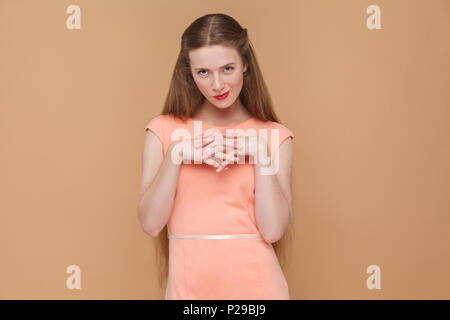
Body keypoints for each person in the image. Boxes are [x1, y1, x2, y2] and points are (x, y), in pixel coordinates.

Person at [137, 13, 295, 299]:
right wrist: (176, 154)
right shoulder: (163, 131)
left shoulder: (275, 136)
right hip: (189, 294)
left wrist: (260, 153)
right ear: (189, 72)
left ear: (245, 65)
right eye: (203, 72)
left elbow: (272, 231)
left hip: (258, 291)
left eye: (228, 68)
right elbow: (150, 224)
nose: (218, 85)